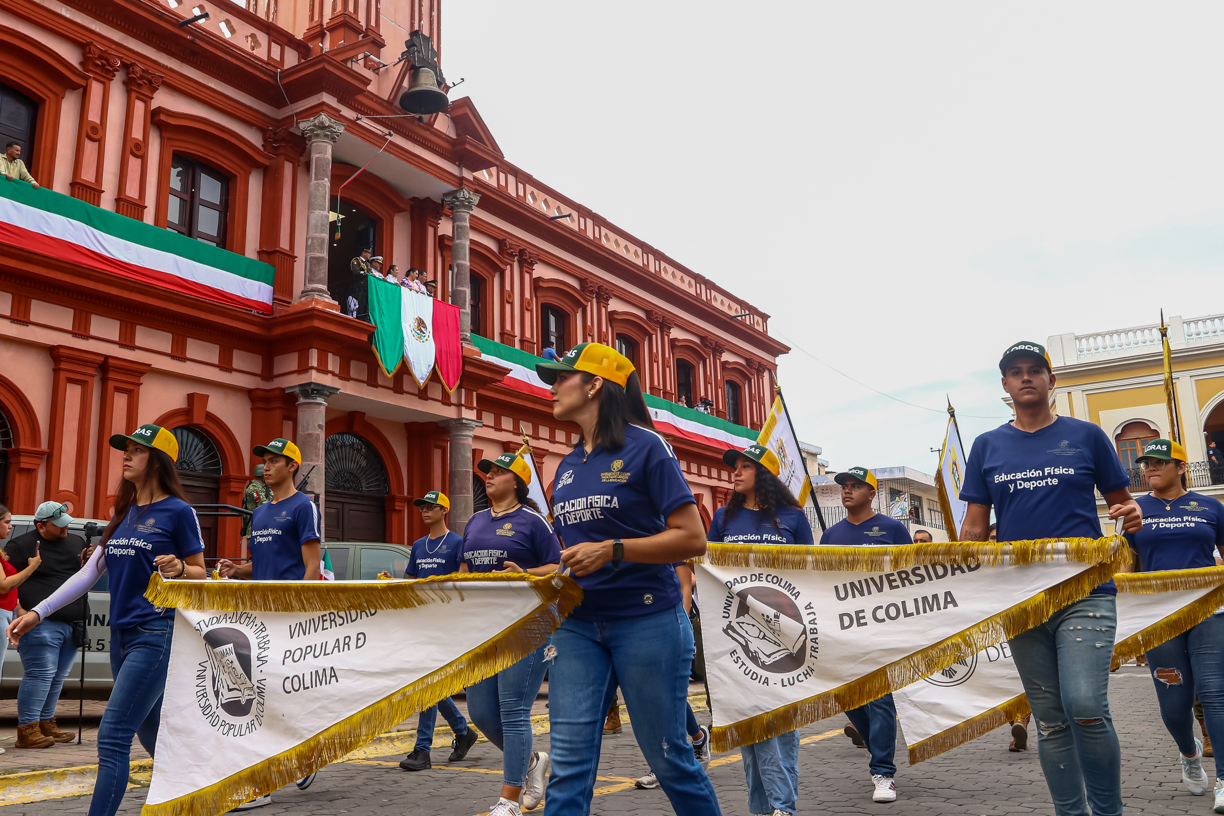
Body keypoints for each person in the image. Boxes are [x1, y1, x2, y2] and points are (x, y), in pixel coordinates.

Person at [535, 342, 720, 816]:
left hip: (648, 620)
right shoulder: (567, 465)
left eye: (562, 377)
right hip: (577, 624)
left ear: (594, 385)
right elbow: (577, 551)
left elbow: (692, 538)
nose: (552, 387)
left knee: (669, 758)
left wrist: (612, 550)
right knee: (568, 765)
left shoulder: (647, 446)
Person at [960, 341, 1142, 816]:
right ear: (1005, 384)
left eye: (1035, 370)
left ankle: (1108, 812)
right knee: (1050, 721)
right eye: (1016, 371)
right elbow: (975, 528)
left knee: (1085, 707)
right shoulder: (987, 446)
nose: (1026, 377)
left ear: (1051, 380)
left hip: (1086, 592)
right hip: (1021, 600)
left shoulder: (1087, 436)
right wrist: (960, 573)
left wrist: (1133, 512)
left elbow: (1123, 503)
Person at [7, 423, 207, 816]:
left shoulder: (179, 512)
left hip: (156, 631)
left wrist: (181, 568)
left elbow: (202, 571)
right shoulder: (124, 513)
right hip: (121, 636)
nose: (126, 455)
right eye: (125, 448)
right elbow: (89, 573)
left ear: (159, 461)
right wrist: (37, 612)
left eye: (137, 450)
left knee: (113, 736)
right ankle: (202, 794)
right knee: (150, 731)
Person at [708, 443, 814, 816]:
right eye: (734, 467)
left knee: (778, 718)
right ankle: (762, 807)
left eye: (745, 467)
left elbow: (812, 572)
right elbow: (707, 567)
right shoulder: (722, 518)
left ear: (764, 474)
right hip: (735, 629)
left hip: (784, 628)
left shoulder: (793, 518)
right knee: (748, 719)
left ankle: (782, 805)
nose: (735, 473)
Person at [217, 437, 322, 808]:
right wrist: (237, 570)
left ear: (292, 466)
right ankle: (301, 753)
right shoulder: (260, 513)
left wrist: (298, 613)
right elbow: (261, 564)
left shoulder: (303, 507)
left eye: (276, 460)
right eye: (265, 460)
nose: (267, 466)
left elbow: (312, 566)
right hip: (256, 616)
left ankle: (265, 780)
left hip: (287, 616)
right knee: (263, 696)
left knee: (269, 695)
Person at [459, 452, 561, 815]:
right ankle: (533, 761)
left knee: (513, 710)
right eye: (488, 471)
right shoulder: (475, 521)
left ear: (516, 482)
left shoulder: (533, 521)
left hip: (527, 624)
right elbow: (464, 569)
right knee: (481, 713)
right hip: (483, 627)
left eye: (499, 472)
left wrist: (526, 573)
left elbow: (559, 565)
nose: (489, 476)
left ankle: (509, 800)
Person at [1126, 438, 1224, 804]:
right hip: (1158, 616)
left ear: (1181, 467)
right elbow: (1127, 565)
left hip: (1208, 610)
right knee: (1174, 705)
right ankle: (1189, 752)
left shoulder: (1211, 507)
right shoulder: (1135, 509)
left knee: (1215, 693)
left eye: (1159, 462)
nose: (1149, 468)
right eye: (1146, 463)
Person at [820, 466, 909, 803]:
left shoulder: (892, 529)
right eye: (844, 485)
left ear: (872, 493)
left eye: (855, 486)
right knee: (848, 698)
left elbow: (912, 574)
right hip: (842, 629)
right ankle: (878, 747)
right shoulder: (830, 535)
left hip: (883, 627)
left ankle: (883, 772)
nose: (847, 490)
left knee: (880, 698)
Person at [398, 490, 480, 772]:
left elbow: (462, 583)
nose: (424, 511)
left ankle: (423, 749)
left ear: (445, 510)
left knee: (429, 683)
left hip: (446, 624)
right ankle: (462, 731)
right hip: (421, 622)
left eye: (430, 507)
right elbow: (411, 582)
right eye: (422, 507)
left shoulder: (458, 543)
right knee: (430, 684)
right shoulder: (418, 545)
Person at [5, 501, 90, 749]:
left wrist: (88, 561)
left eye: (66, 524)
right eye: (59, 525)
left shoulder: (76, 542)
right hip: (39, 621)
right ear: (41, 526)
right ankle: (27, 729)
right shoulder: (21, 545)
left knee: (57, 677)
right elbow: (7, 581)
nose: (65, 529)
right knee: (40, 674)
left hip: (73, 621)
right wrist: (19, 609)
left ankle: (46, 723)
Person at [0, 504, 41, 756]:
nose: (10, 526)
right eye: (6, 521)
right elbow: (3, 586)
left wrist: (19, 611)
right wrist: (32, 566)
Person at [241, 463, 271, 554]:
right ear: (262, 475)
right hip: (255, 526)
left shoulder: (265, 487)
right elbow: (263, 504)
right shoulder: (254, 488)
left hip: (264, 525)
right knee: (257, 555)